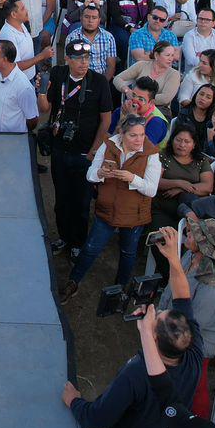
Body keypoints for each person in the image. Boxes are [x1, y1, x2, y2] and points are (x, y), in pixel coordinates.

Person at [64, 228, 211, 428]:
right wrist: (172, 257)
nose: (154, 310)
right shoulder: (193, 354)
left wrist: (74, 401)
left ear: (154, 338)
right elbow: (182, 296)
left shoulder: (136, 373)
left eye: (155, 316)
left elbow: (96, 418)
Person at [59, 115, 160, 301]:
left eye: (142, 135)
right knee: (90, 249)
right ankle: (73, 281)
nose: (139, 140)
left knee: (128, 253)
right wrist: (100, 172)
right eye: (133, 135)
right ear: (122, 134)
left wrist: (132, 178)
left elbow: (152, 189)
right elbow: (90, 174)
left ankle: (119, 289)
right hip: (107, 209)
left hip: (134, 214)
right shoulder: (108, 145)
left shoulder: (151, 154)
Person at [41, 37, 115, 255]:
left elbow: (106, 120)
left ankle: (77, 243)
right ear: (67, 59)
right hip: (60, 149)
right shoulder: (58, 74)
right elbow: (45, 108)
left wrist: (94, 150)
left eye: (87, 58)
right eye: (78, 58)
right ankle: (63, 237)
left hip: (85, 153)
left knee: (81, 203)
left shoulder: (99, 81)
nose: (84, 62)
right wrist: (42, 90)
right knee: (61, 199)